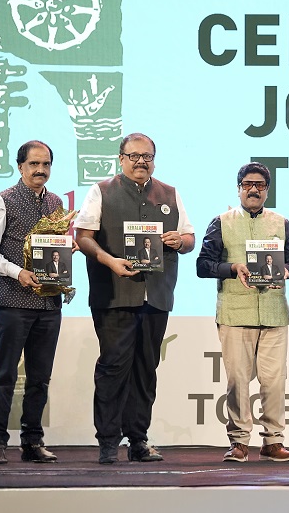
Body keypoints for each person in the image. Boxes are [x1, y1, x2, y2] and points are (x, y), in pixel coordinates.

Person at [74, 132, 195, 464]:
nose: (141, 161)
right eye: (134, 156)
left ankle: (138, 439)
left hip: (156, 296)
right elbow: (83, 237)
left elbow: (189, 238)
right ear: (121, 159)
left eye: (147, 156)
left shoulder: (170, 193)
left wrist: (179, 241)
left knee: (145, 370)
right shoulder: (101, 191)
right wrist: (109, 260)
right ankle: (108, 442)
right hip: (114, 295)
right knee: (113, 368)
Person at [196, 162, 289, 462]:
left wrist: (285, 270)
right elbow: (203, 265)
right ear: (238, 189)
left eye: (260, 185)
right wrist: (233, 268)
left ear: (267, 190)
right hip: (235, 314)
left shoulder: (281, 223)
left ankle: (273, 442)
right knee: (238, 382)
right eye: (247, 184)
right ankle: (239, 442)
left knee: (274, 382)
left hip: (273, 313)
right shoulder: (221, 222)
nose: (253, 189)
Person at [0, 140, 68, 465]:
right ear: (20, 166)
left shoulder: (56, 202)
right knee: (5, 375)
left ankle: (32, 442)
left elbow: (54, 248)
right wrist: (17, 273)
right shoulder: (2, 201)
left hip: (49, 304)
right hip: (13, 301)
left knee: (40, 378)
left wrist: (67, 251)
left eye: (46, 164)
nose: (40, 170)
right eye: (34, 164)